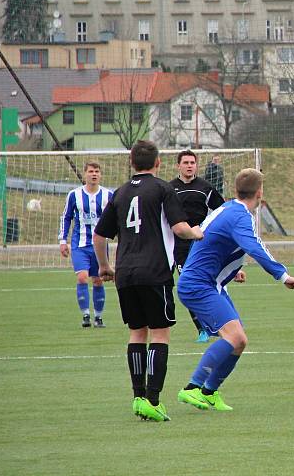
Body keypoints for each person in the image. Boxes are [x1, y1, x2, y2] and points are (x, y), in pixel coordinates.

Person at [93, 140, 204, 422]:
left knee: (136, 333)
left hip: (126, 273)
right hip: (154, 272)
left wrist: (105, 266)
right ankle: (153, 400)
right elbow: (180, 228)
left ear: (132, 163)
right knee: (160, 334)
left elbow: (99, 236)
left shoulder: (119, 193)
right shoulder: (164, 189)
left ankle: (138, 398)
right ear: (158, 164)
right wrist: (197, 233)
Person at [176, 168, 294, 412]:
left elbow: (207, 242)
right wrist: (283, 276)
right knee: (234, 337)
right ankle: (192, 388)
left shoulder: (227, 208)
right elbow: (255, 248)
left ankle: (209, 392)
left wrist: (232, 270)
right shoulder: (240, 216)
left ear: (236, 190)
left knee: (239, 341)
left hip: (207, 282)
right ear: (260, 192)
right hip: (199, 285)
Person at [170, 149, 225, 343]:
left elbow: (221, 211)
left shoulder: (205, 187)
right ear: (178, 165)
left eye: (192, 162)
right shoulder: (169, 189)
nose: (189, 165)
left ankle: (217, 322)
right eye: (185, 162)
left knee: (209, 283)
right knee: (188, 284)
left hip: (202, 244)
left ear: (196, 165)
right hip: (179, 246)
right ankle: (202, 328)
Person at [58, 161, 113, 328]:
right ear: (85, 174)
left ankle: (98, 316)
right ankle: (86, 315)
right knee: (82, 277)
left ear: (100, 174)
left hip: (100, 245)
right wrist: (62, 240)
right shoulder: (74, 195)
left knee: (98, 280)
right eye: (91, 171)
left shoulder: (108, 195)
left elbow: (115, 217)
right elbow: (66, 217)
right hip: (79, 244)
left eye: (97, 171)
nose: (94, 174)